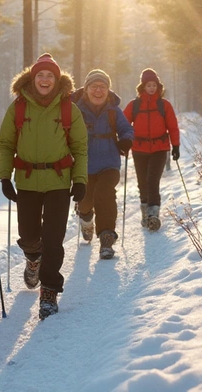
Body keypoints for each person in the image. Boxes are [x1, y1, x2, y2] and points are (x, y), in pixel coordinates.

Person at [0, 53, 87, 320]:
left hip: (59, 183)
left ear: (57, 80)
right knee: (28, 235)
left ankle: (49, 290)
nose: (45, 80)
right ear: (32, 78)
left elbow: (80, 148)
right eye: (40, 75)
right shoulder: (19, 107)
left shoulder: (69, 108)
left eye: (50, 75)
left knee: (53, 239)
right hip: (26, 182)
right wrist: (5, 176)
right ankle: (33, 259)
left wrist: (80, 180)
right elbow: (5, 144)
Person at [73, 70, 134, 259]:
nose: (98, 91)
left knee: (104, 193)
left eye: (103, 87)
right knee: (85, 201)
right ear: (86, 89)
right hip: (84, 164)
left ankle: (106, 237)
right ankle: (85, 217)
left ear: (108, 90)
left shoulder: (113, 110)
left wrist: (126, 140)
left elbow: (126, 129)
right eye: (94, 86)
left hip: (109, 162)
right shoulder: (76, 109)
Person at [123, 68, 180, 231]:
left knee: (152, 180)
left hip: (159, 148)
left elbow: (173, 126)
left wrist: (175, 146)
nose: (152, 88)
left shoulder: (164, 105)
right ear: (142, 87)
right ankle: (145, 213)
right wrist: (124, 142)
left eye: (154, 85)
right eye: (148, 85)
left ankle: (153, 213)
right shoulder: (134, 105)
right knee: (142, 182)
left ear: (158, 86)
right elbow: (123, 124)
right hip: (139, 149)